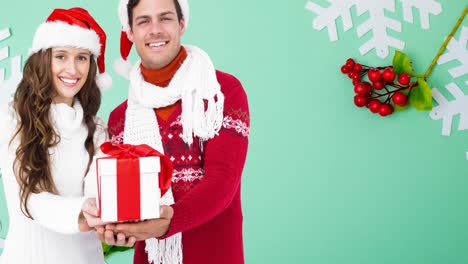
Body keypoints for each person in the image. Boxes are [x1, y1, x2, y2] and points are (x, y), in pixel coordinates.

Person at [91, 0, 250, 263]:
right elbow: (129, 205)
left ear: (182, 24)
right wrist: (117, 230)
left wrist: (169, 221)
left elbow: (223, 181)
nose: (155, 30)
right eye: (143, 21)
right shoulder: (121, 118)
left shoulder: (221, 93)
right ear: (130, 32)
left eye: (165, 18)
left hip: (217, 255)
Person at [0, 7, 112, 264]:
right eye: (61, 56)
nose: (73, 69)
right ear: (43, 60)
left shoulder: (97, 129)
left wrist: (112, 217)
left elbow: (101, 194)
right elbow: (30, 200)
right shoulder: (14, 121)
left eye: (82, 58)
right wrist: (82, 209)